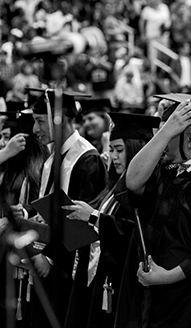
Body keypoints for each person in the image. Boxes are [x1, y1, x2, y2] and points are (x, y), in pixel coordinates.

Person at [124, 93, 191, 327]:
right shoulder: (170, 168)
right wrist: (166, 131)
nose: (161, 144)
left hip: (186, 300)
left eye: (168, 137)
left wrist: (165, 276)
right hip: (155, 295)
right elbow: (132, 181)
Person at [61, 112, 160, 328]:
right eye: (111, 149)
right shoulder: (114, 186)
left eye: (119, 150)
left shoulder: (145, 190)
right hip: (99, 278)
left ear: (136, 148)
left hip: (121, 283)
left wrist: (94, 217)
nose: (113, 156)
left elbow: (132, 233)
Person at [28, 89, 107, 327]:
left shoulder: (86, 159)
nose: (35, 130)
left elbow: (83, 228)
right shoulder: (53, 158)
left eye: (40, 121)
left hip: (68, 274)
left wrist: (49, 257)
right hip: (45, 263)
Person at [0, 109, 49, 327]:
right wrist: (7, 151)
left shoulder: (38, 173)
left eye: (9, 137)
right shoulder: (4, 168)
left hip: (19, 260)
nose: (2, 142)